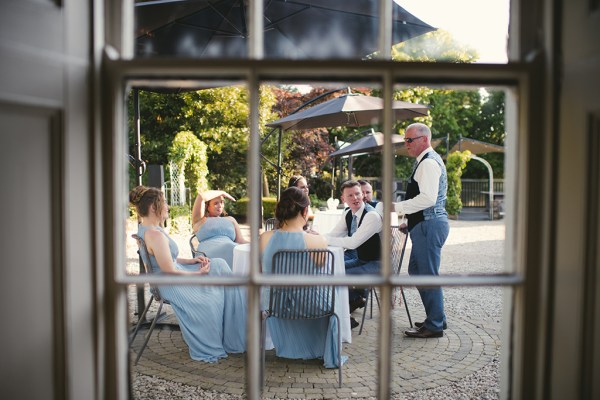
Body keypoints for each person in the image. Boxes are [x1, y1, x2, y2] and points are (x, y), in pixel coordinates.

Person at [130, 185, 247, 362]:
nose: (168, 207)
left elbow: (167, 260)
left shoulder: (149, 229)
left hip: (173, 273)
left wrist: (192, 261)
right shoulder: (155, 234)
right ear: (154, 208)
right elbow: (169, 269)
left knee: (220, 265)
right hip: (170, 283)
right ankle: (229, 335)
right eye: (165, 203)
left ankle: (233, 332)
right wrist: (198, 275)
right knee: (213, 295)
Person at [259, 186, 345, 368]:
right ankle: (323, 348)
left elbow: (263, 270)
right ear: (305, 211)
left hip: (275, 304)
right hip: (312, 305)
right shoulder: (317, 240)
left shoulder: (265, 237)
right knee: (333, 291)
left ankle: (291, 346)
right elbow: (321, 268)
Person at [393, 123, 450, 339]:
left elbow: (428, 198)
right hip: (425, 224)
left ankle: (434, 324)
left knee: (427, 275)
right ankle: (437, 318)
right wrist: (411, 221)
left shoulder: (427, 163)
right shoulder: (426, 161)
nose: (406, 144)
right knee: (418, 271)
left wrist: (396, 208)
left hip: (430, 225)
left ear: (424, 139)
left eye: (409, 140)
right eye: (405, 140)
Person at [324, 180, 383, 328]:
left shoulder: (371, 216)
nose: (355, 198)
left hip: (377, 265)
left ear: (363, 194)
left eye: (357, 193)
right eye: (350, 195)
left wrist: (324, 239)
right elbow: (335, 235)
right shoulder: (349, 214)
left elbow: (352, 243)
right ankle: (350, 305)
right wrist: (320, 239)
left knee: (336, 275)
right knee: (329, 270)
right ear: (343, 199)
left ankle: (344, 317)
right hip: (362, 260)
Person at [191, 190, 248, 268]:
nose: (220, 205)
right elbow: (201, 196)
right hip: (209, 255)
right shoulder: (200, 220)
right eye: (216, 203)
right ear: (207, 206)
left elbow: (240, 241)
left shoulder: (231, 219)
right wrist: (222, 192)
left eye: (222, 202)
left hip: (233, 249)